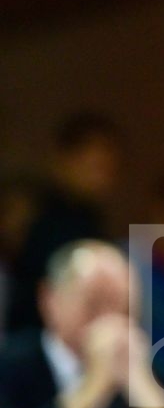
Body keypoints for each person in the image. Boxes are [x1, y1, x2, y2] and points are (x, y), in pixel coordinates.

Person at [0, 241, 164, 408]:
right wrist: (93, 388)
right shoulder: (10, 366)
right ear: (49, 300)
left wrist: (147, 396)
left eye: (123, 308)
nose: (108, 320)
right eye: (95, 304)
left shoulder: (139, 366)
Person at [7, 111, 121, 333]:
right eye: (93, 167)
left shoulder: (90, 221)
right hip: (38, 337)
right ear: (62, 160)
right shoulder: (36, 219)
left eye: (108, 169)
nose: (102, 178)